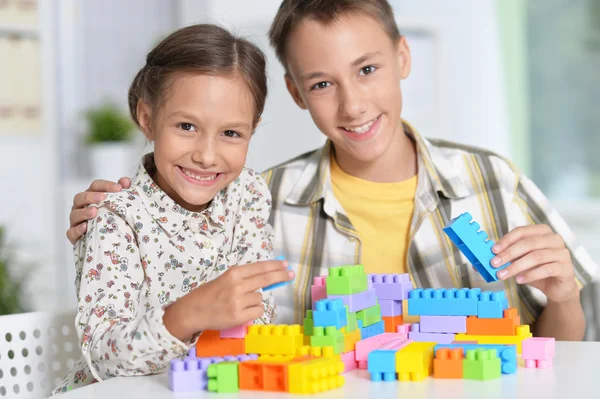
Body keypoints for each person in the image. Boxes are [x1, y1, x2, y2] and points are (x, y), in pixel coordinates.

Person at [66, 0, 597, 342]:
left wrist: (565, 295)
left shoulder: (492, 182)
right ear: (296, 93)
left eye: (367, 70)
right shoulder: (253, 201)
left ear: (402, 57)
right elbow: (178, 259)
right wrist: (123, 206)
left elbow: (567, 355)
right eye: (321, 84)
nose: (353, 105)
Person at [51, 24, 294, 396]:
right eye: (186, 126)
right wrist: (188, 314)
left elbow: (259, 310)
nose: (207, 156)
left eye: (231, 133)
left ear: (253, 130)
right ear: (147, 119)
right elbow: (102, 357)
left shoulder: (248, 193)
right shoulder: (115, 218)